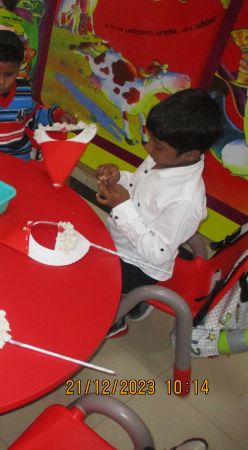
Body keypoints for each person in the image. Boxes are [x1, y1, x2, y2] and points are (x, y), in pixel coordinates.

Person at [95, 89, 224, 338]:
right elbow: (141, 187)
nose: (148, 147)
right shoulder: (166, 159)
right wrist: (120, 177)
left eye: (158, 145)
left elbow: (158, 254)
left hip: (140, 265)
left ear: (190, 154)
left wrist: (122, 207)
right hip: (120, 243)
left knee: (86, 277)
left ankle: (117, 319)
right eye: (150, 139)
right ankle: (132, 301)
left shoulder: (186, 201)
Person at [0, 24, 77, 160]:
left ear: (18, 68)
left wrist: (57, 115)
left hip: (19, 158)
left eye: (9, 74)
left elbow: (34, 116)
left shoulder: (24, 89)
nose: (1, 82)